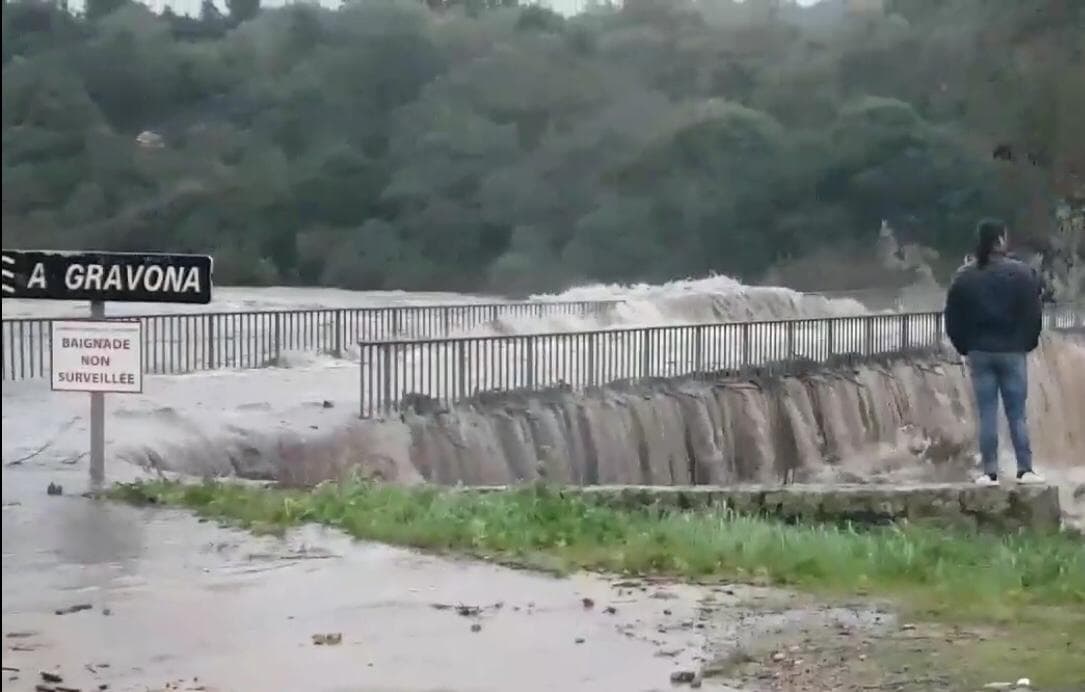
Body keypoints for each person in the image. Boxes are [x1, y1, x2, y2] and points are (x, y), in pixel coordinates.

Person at [944, 219, 1045, 486]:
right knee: (1016, 413)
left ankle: (989, 472)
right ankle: (1025, 470)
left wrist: (964, 346)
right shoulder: (1023, 274)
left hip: (980, 352)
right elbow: (1034, 313)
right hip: (1013, 351)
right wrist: (1028, 341)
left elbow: (952, 316)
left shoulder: (964, 276)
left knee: (987, 413)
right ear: (1000, 240)